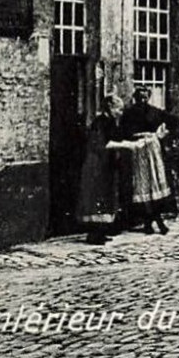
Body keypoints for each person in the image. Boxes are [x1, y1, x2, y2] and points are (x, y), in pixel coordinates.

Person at [119, 85, 178, 235]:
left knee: (155, 185)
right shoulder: (129, 113)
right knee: (142, 185)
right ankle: (148, 222)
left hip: (153, 149)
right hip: (137, 150)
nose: (142, 100)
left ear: (149, 97)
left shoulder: (155, 112)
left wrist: (162, 135)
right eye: (140, 97)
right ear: (135, 98)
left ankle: (156, 220)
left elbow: (175, 121)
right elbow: (122, 132)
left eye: (145, 97)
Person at [75, 93, 125, 244]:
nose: (120, 113)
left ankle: (101, 232)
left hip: (106, 163)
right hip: (97, 164)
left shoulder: (110, 121)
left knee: (104, 196)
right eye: (119, 109)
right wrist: (128, 145)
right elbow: (103, 144)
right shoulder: (100, 122)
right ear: (110, 107)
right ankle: (94, 234)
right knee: (96, 195)